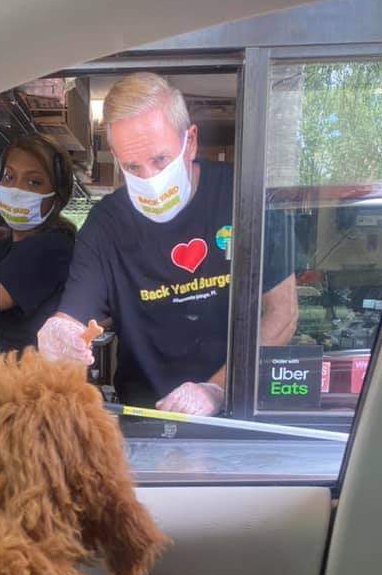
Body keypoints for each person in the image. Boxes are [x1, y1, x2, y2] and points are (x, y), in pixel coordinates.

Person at [38, 72, 297, 414]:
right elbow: (72, 321)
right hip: (146, 416)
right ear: (117, 157)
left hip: (239, 414)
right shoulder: (105, 226)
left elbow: (282, 312)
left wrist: (215, 389)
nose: (150, 179)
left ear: (190, 142)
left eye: (160, 160)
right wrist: (57, 337)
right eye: (132, 166)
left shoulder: (242, 200)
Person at [0, 133, 75, 353]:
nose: (17, 189)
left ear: (56, 197)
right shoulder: (5, 242)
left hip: (24, 382)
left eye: (33, 182)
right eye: (9, 177)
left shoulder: (52, 247)